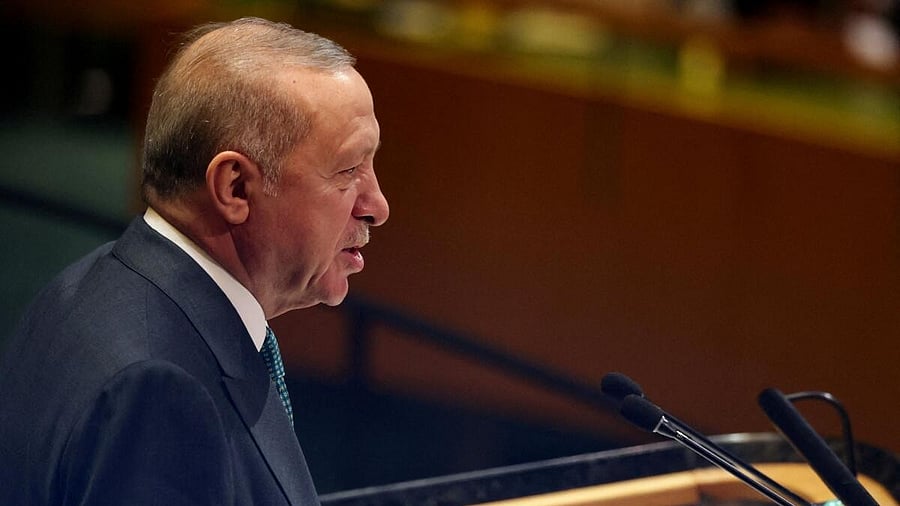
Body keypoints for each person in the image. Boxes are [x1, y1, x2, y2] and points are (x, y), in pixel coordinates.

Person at [0, 17, 389, 505]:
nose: (377, 205)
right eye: (348, 170)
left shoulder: (85, 287)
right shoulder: (161, 396)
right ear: (235, 187)